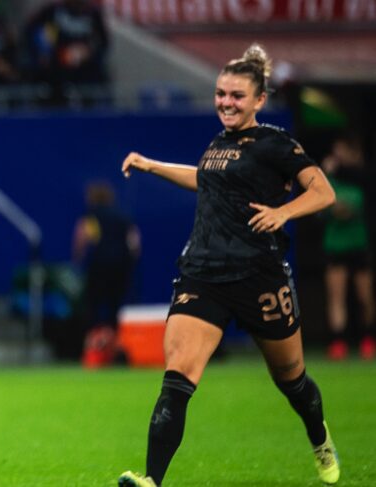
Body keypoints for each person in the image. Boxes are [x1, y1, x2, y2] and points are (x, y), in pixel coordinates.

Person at [116, 44, 340, 487]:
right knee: (177, 378)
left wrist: (284, 212)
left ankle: (320, 439)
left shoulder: (276, 144)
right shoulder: (219, 143)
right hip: (204, 273)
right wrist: (151, 165)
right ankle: (150, 481)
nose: (226, 103)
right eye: (221, 94)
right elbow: (204, 179)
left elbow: (323, 191)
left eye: (237, 96)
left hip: (260, 276)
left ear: (259, 99)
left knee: (292, 381)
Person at [72, 181, 140, 367]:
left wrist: (78, 259)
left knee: (92, 307)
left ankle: (91, 350)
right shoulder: (123, 217)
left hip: (98, 266)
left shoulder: (92, 216)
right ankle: (115, 349)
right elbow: (134, 243)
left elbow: (82, 237)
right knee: (115, 308)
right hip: (121, 267)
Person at [321, 134, 375, 360]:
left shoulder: (364, 179)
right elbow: (324, 207)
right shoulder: (327, 179)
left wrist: (341, 208)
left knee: (365, 296)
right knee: (336, 296)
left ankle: (368, 339)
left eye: (342, 150)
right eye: (336, 150)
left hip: (359, 245)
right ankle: (338, 342)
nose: (338, 155)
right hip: (335, 245)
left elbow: (351, 209)